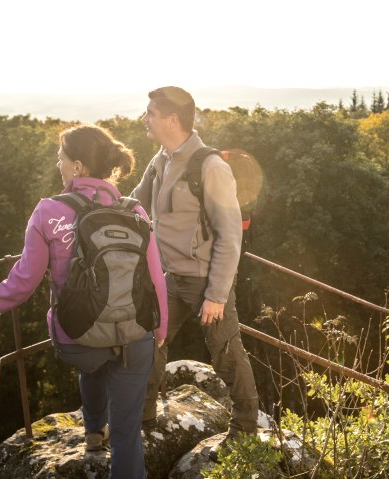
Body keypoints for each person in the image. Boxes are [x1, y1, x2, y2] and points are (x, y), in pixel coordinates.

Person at [0, 124, 168, 479]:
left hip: (77, 342)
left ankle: (92, 431)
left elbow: (23, 281)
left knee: (93, 356)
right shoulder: (135, 212)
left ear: (77, 167)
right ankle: (109, 438)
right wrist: (160, 329)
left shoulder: (48, 212)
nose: (58, 164)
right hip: (136, 338)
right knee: (126, 435)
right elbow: (154, 278)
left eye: (61, 158)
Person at [131, 86, 259, 460]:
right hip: (168, 277)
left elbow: (230, 235)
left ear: (172, 120)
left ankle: (245, 430)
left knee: (226, 353)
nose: (145, 119)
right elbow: (135, 202)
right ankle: (143, 415)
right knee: (148, 341)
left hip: (205, 281)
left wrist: (217, 294)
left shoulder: (211, 167)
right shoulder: (161, 159)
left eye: (151, 113)